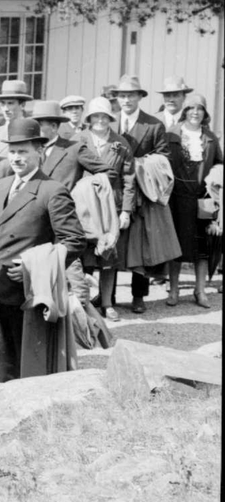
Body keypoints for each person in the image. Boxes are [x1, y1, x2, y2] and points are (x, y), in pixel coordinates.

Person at [0, 119, 86, 382]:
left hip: (27, 292)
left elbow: (75, 241)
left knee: (27, 366)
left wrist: (34, 267)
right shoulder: (2, 185)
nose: (16, 158)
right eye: (12, 151)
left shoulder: (52, 191)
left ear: (40, 152)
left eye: (23, 151)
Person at [112, 75, 181, 315]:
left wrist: (135, 165)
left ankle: (138, 296)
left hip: (143, 193)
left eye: (131, 95)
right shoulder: (110, 124)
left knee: (140, 247)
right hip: (115, 192)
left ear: (140, 97)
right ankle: (108, 296)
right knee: (113, 243)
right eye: (122, 95)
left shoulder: (153, 125)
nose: (126, 100)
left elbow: (164, 159)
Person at [73, 97, 137, 322]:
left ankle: (108, 302)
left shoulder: (121, 143)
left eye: (104, 116)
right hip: (84, 205)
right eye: (95, 116)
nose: (100, 120)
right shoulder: (78, 140)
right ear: (89, 119)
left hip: (112, 204)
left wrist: (126, 211)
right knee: (84, 254)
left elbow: (129, 178)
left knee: (109, 254)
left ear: (110, 119)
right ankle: (84, 302)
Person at [167, 93, 222, 307]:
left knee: (202, 247)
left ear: (205, 114)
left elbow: (219, 163)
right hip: (177, 198)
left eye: (200, 109)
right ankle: (173, 291)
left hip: (202, 198)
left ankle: (200, 291)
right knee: (176, 245)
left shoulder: (210, 138)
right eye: (191, 108)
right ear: (185, 111)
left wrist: (214, 176)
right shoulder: (171, 134)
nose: (195, 112)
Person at [32, 101, 82, 191]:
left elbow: (106, 171)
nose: (35, 129)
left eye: (39, 125)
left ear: (54, 127)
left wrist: (82, 189)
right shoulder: (30, 150)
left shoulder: (73, 149)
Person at [0, 79, 32, 158]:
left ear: (22, 105)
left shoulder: (32, 130)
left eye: (10, 103)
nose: (6, 109)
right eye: (3, 103)